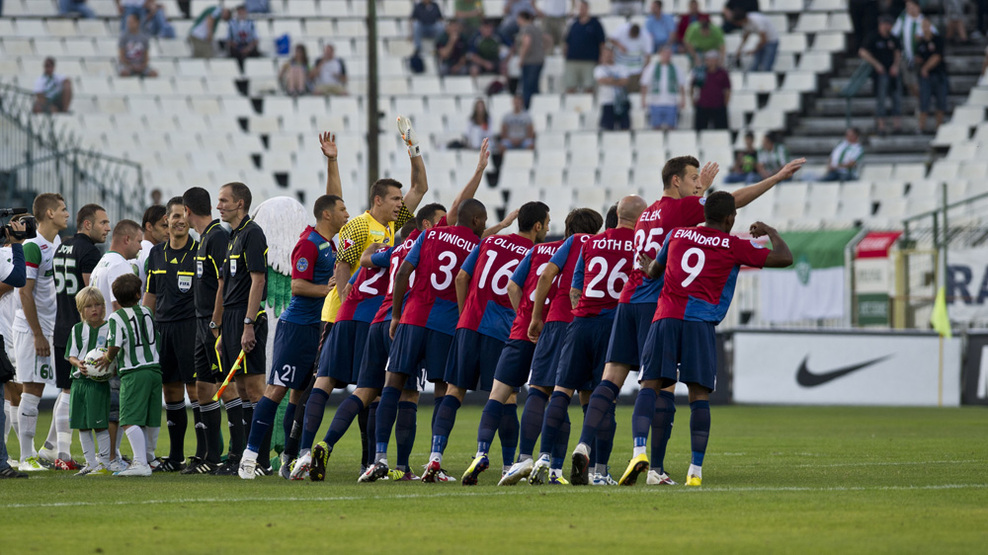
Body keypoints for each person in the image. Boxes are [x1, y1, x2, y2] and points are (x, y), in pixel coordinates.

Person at [578, 155, 804, 487]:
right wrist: (776, 178)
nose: (699, 183)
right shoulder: (685, 214)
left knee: (612, 379)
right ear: (676, 181)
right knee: (665, 387)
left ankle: (586, 448)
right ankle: (656, 467)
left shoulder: (648, 214)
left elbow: (663, 253)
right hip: (660, 305)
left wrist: (701, 192)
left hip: (628, 298)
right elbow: (731, 203)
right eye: (694, 178)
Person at [297, 142, 495, 482]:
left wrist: (363, 288)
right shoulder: (420, 237)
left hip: (374, 316)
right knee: (419, 392)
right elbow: (454, 222)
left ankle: (327, 450)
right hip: (416, 321)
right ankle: (412, 464)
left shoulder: (398, 244)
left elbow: (366, 262)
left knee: (364, 388)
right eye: (395, 199)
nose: (400, 204)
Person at [636, 192, 792, 486]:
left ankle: (639, 453)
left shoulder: (677, 234)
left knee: (650, 385)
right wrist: (770, 231)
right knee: (699, 396)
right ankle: (695, 471)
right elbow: (785, 258)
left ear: (705, 213)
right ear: (730, 218)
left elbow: (654, 271)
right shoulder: (733, 245)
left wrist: (649, 269)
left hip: (666, 317)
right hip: (699, 322)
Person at [236, 134, 350, 480]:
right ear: (327, 215)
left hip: (317, 328)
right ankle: (249, 457)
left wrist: (332, 161)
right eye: (342, 210)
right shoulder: (308, 244)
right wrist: (328, 288)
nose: (347, 213)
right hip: (297, 327)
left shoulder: (329, 240)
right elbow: (298, 287)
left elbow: (332, 198)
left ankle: (290, 459)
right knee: (277, 391)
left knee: (302, 395)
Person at [359, 198, 489, 483]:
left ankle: (379, 459)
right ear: (476, 221)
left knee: (392, 384)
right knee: (444, 390)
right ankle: (435, 459)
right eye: (485, 220)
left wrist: (396, 315)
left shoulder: (428, 235)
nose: (486, 225)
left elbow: (404, 272)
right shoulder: (477, 246)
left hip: (412, 318)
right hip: (446, 326)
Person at [468, 209, 600, 484]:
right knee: (561, 396)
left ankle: (491, 454)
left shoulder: (539, 250)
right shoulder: (591, 247)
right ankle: (560, 468)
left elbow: (513, 287)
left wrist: (527, 316)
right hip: (567, 326)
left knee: (503, 395)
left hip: (526, 330)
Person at [528, 195, 648, 486]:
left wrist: (581, 316)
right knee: (605, 398)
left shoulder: (591, 243)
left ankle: (543, 458)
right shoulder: (640, 246)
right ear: (640, 218)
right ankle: (600, 471)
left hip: (580, 322)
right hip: (614, 326)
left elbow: (575, 290)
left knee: (560, 391)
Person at [429, 202, 550, 483]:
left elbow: (461, 277)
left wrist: (464, 314)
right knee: (507, 396)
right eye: (547, 222)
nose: (548, 227)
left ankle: (435, 458)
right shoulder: (533, 253)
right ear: (537, 226)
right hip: (501, 328)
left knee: (453, 391)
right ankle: (508, 466)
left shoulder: (489, 242)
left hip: (469, 323)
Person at [180, 187, 237, 475]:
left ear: (187, 211)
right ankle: (210, 456)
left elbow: (224, 284)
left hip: (214, 325)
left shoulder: (217, 238)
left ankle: (237, 455)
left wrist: (216, 323)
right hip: (201, 322)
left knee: (226, 386)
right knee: (203, 388)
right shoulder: (204, 239)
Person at [142, 198, 201, 472]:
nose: (179, 221)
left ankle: (203, 454)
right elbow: (151, 294)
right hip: (162, 329)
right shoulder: (156, 254)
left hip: (191, 328)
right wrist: (143, 325)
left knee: (196, 390)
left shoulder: (199, 251)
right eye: (175, 216)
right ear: (166, 220)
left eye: (183, 215)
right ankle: (176, 457)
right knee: (171, 390)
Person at [214, 182, 269, 475]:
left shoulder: (252, 234)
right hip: (233, 320)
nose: (219, 206)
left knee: (256, 389)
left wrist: (248, 324)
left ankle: (262, 461)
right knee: (243, 390)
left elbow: (258, 281)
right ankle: (248, 458)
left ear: (240, 203)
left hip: (249, 319)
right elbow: (229, 287)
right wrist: (224, 330)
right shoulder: (233, 236)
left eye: (224, 200)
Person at [50, 204, 109, 469]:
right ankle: (71, 455)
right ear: (87, 224)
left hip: (60, 325)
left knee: (65, 391)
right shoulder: (89, 252)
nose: (107, 228)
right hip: (82, 332)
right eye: (102, 223)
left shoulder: (62, 247)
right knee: (76, 393)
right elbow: (90, 295)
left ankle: (59, 451)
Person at [14, 194, 69, 472]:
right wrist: (37, 334)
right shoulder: (33, 247)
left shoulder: (57, 244)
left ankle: (48, 448)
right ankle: (26, 457)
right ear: (49, 213)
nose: (66, 214)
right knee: (33, 388)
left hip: (52, 328)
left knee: (64, 386)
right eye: (62, 209)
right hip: (31, 329)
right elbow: (25, 292)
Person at [93, 273, 162, 477]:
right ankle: (149, 458)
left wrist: (108, 358)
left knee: (128, 419)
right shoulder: (147, 312)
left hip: (134, 371)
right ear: (138, 294)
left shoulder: (116, 317)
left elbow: (114, 343)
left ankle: (140, 463)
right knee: (148, 418)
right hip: (154, 369)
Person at [89, 219, 144, 471]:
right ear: (126, 239)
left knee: (112, 403)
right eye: (139, 241)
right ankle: (111, 458)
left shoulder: (102, 263)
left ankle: (110, 455)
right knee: (118, 404)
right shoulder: (121, 265)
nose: (141, 247)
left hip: (103, 339)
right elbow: (119, 305)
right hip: (117, 344)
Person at [64, 286, 112, 476]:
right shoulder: (77, 329)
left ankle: (105, 463)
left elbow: (114, 354)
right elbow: (71, 355)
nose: (94, 309)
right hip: (79, 383)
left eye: (98, 305)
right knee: (82, 424)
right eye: (89, 306)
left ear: (103, 307)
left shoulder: (109, 328)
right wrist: (78, 363)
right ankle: (91, 463)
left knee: (99, 424)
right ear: (81, 310)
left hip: (98, 384)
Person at [0, 218, 27, 479]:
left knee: (7, 395)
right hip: (4, 333)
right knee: (11, 393)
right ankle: (6, 460)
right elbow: (19, 278)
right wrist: (17, 244)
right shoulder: (5, 255)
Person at [860, 15, 902, 135]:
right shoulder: (873, 37)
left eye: (888, 24)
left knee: (896, 98)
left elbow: (898, 52)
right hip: (880, 73)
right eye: (885, 24)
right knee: (881, 99)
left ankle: (897, 126)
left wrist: (896, 66)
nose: (886, 26)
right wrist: (876, 64)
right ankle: (881, 126)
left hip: (893, 72)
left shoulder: (893, 38)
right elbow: (863, 52)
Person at [563, 1, 606, 93]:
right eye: (580, 8)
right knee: (570, 86)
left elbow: (601, 42)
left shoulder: (595, 24)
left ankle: (589, 102)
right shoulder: (574, 24)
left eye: (583, 7)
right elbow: (567, 41)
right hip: (572, 60)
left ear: (587, 9)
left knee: (589, 87)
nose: (581, 10)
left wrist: (602, 56)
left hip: (589, 60)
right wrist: (565, 54)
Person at [914, 18, 948, 133]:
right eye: (923, 26)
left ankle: (939, 127)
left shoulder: (938, 39)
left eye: (927, 25)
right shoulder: (920, 43)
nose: (925, 28)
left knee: (941, 101)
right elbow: (918, 58)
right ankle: (921, 127)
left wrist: (925, 68)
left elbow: (937, 56)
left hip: (938, 74)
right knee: (924, 102)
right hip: (925, 77)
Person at [640, 45, 685, 130]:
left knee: (672, 127)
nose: (666, 56)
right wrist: (643, 100)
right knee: (656, 127)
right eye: (664, 54)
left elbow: (681, 85)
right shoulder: (651, 68)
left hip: (671, 102)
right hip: (655, 102)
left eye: (669, 54)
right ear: (660, 54)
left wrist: (683, 100)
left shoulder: (676, 69)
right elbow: (644, 84)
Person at [891, 0, 927, 98]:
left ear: (917, 7)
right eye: (907, 6)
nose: (909, 9)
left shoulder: (924, 20)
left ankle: (923, 103)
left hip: (921, 59)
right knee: (910, 83)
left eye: (911, 6)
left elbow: (932, 36)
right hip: (907, 58)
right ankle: (921, 102)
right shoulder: (902, 20)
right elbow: (894, 35)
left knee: (919, 83)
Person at [692, 50, 731, 130]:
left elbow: (727, 89)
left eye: (712, 60)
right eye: (708, 59)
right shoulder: (701, 72)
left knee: (721, 130)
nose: (709, 62)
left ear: (716, 60)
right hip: (703, 105)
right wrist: (693, 99)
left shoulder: (723, 73)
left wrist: (725, 103)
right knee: (700, 130)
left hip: (718, 105)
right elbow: (693, 86)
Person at [609, 22, 652, 93]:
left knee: (634, 92)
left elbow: (648, 56)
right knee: (618, 91)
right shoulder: (622, 29)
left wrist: (644, 71)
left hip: (636, 70)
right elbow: (610, 39)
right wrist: (619, 45)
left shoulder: (646, 36)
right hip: (620, 66)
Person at [595, 48, 632, 131]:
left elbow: (625, 81)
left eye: (610, 54)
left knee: (625, 127)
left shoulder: (622, 67)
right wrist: (618, 81)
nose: (608, 56)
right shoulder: (599, 69)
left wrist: (610, 80)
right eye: (606, 54)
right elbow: (601, 80)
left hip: (622, 101)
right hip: (608, 101)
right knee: (608, 128)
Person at [515, 11, 545, 109]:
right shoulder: (536, 28)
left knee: (527, 87)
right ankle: (538, 107)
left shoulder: (526, 29)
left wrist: (522, 59)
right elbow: (547, 39)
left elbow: (527, 43)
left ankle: (527, 108)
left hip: (530, 62)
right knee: (534, 87)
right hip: (539, 60)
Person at [137, 204, 168, 289]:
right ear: (149, 226)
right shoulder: (153, 253)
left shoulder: (136, 249)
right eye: (164, 226)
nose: (169, 231)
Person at [118, 13, 158, 78]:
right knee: (124, 73)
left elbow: (146, 56)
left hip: (141, 65)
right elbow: (121, 57)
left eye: (131, 22)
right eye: (128, 23)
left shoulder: (144, 38)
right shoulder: (123, 37)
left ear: (137, 23)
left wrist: (142, 66)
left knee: (154, 73)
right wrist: (131, 66)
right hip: (127, 65)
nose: (129, 25)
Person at [228, 4, 261, 73]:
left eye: (243, 12)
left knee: (254, 53)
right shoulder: (231, 24)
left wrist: (248, 48)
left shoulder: (252, 23)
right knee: (235, 54)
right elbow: (229, 40)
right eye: (239, 12)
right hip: (237, 46)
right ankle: (240, 73)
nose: (241, 14)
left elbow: (256, 39)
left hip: (249, 45)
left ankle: (251, 72)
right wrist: (238, 47)